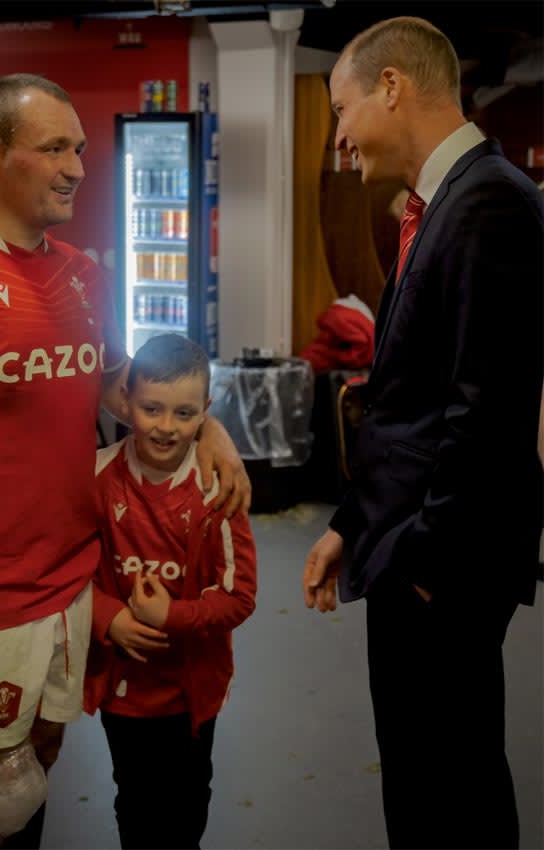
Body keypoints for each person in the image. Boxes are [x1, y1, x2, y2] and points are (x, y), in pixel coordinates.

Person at [0, 74, 250, 850]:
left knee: (36, 768)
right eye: (54, 149)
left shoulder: (81, 274)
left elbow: (116, 383)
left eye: (78, 147)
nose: (77, 166)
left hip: (74, 581)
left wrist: (209, 429)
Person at [302, 17, 543, 850]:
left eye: (342, 108)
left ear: (393, 87)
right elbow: (413, 404)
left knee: (453, 790)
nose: (338, 135)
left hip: (439, 566)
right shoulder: (442, 204)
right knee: (423, 777)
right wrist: (349, 522)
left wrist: (426, 566)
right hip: (409, 546)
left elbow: (489, 414)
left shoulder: (490, 206)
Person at [84, 333, 257, 850]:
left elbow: (240, 593)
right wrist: (108, 615)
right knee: (133, 799)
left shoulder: (217, 488)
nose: (165, 426)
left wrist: (172, 616)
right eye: (151, 409)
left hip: (189, 691)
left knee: (186, 802)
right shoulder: (95, 478)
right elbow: (71, 573)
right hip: (123, 689)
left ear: (205, 411)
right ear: (125, 401)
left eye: (183, 413)